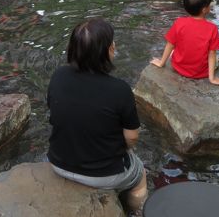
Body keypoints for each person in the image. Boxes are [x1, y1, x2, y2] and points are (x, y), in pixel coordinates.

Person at [47, 18, 148, 214]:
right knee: (140, 175)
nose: (114, 45)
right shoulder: (120, 89)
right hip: (103, 175)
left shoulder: (58, 75)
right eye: (112, 43)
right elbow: (132, 137)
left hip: (57, 164)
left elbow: (57, 113)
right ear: (108, 51)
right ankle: (133, 210)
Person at [150, 0, 219, 87]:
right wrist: (211, 78)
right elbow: (212, 54)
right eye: (209, 4)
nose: (210, 6)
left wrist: (161, 62)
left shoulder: (179, 23)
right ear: (204, 10)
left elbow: (170, 44)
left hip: (178, 67)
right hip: (200, 73)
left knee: (176, 48)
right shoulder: (212, 29)